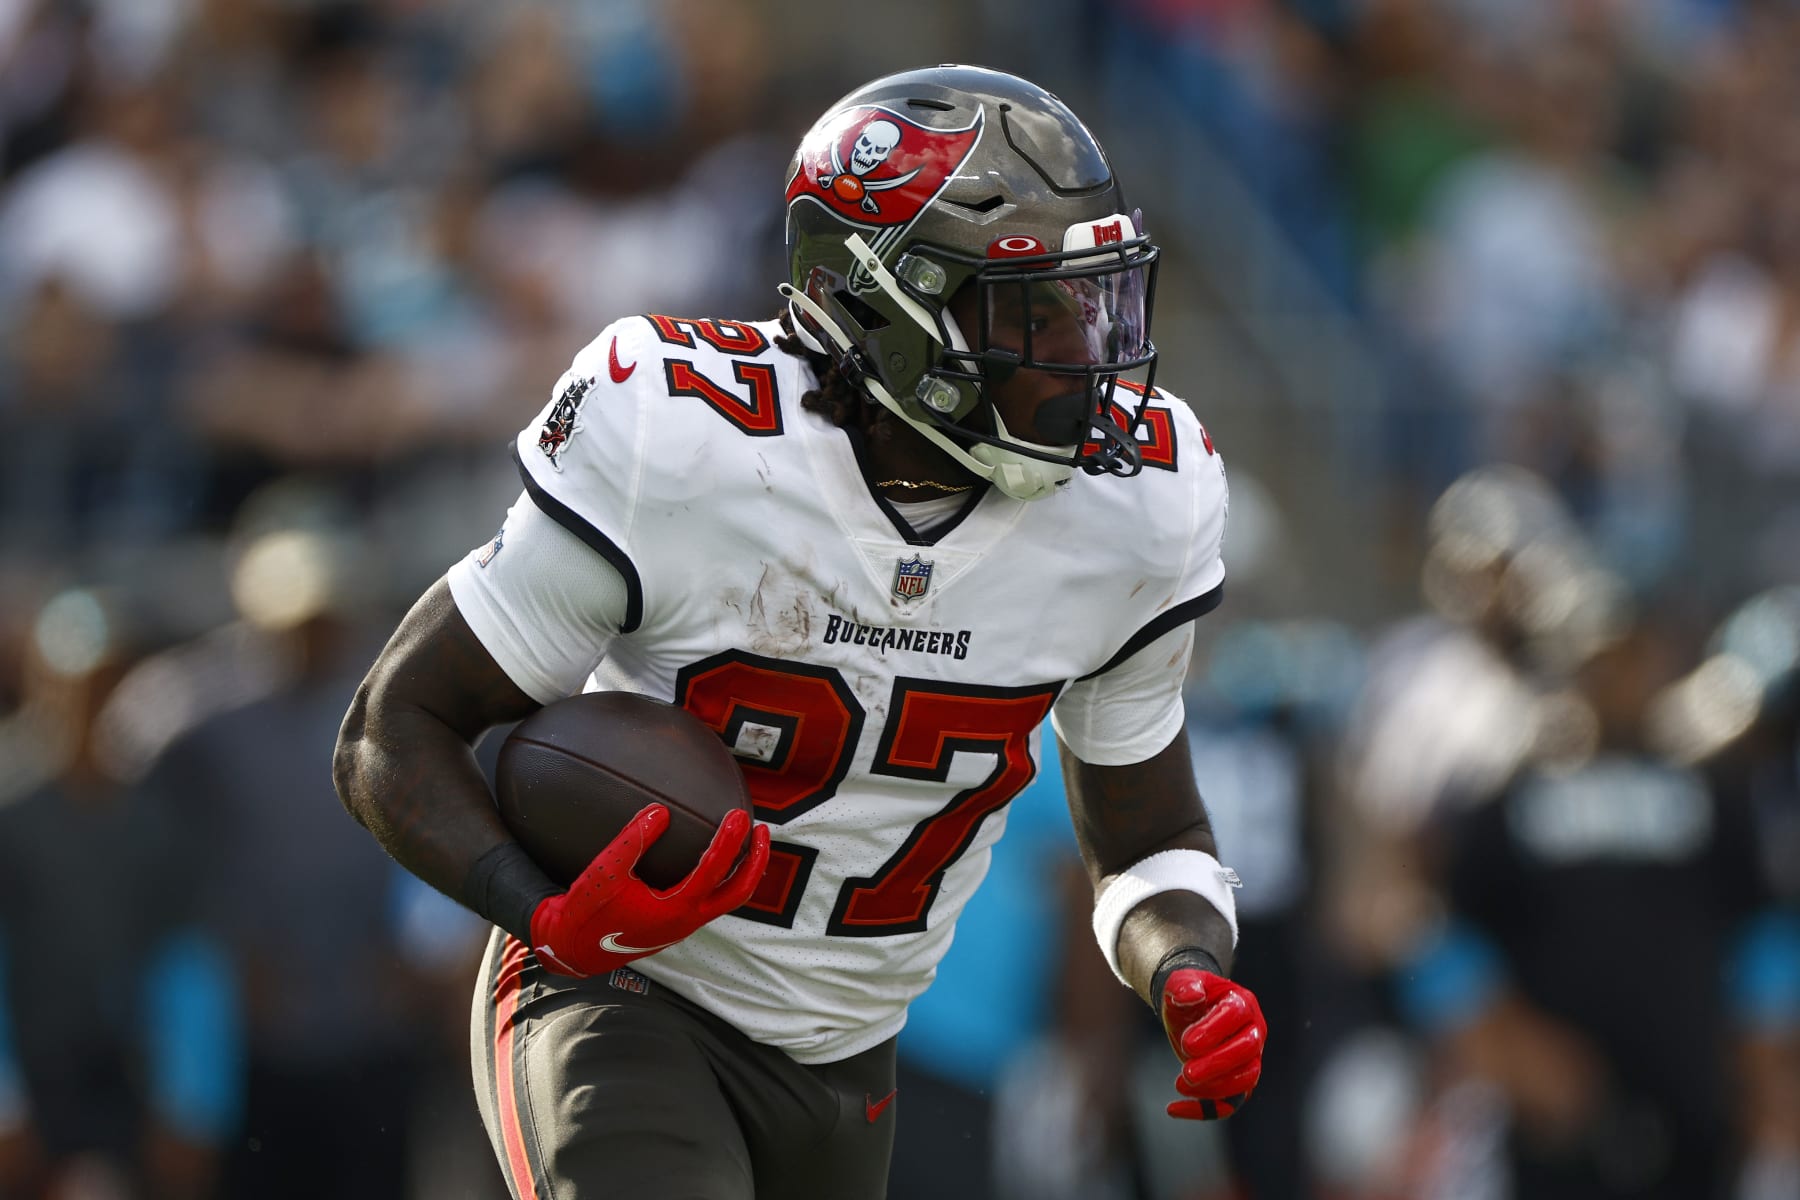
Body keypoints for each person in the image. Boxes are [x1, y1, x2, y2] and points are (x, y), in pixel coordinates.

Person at [333, 64, 1266, 1199]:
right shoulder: (681, 442)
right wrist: (542, 912)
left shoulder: (1141, 507)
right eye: (1031, 310)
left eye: (1093, 299)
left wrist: (1184, 964)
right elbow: (393, 730)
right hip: (625, 995)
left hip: (851, 1057)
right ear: (883, 307)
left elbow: (1149, 836)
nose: (1083, 352)